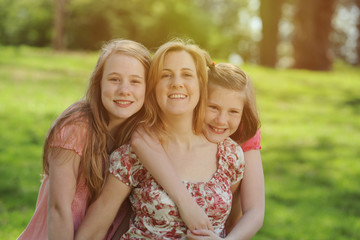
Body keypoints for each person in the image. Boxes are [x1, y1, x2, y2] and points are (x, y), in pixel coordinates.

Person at [75, 39, 246, 239]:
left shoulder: (230, 155)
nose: (177, 83)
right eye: (166, 75)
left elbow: (235, 222)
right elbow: (92, 232)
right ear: (153, 87)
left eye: (186, 74)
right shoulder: (132, 155)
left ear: (201, 83)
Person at [17, 39, 151, 240]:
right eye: (114, 79)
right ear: (99, 83)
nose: (124, 89)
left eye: (135, 81)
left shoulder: (141, 136)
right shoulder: (76, 127)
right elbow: (58, 208)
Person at [131, 62, 264, 239]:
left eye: (233, 112)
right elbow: (140, 137)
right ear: (196, 101)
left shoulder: (242, 134)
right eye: (213, 107)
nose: (221, 120)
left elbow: (254, 210)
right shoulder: (167, 133)